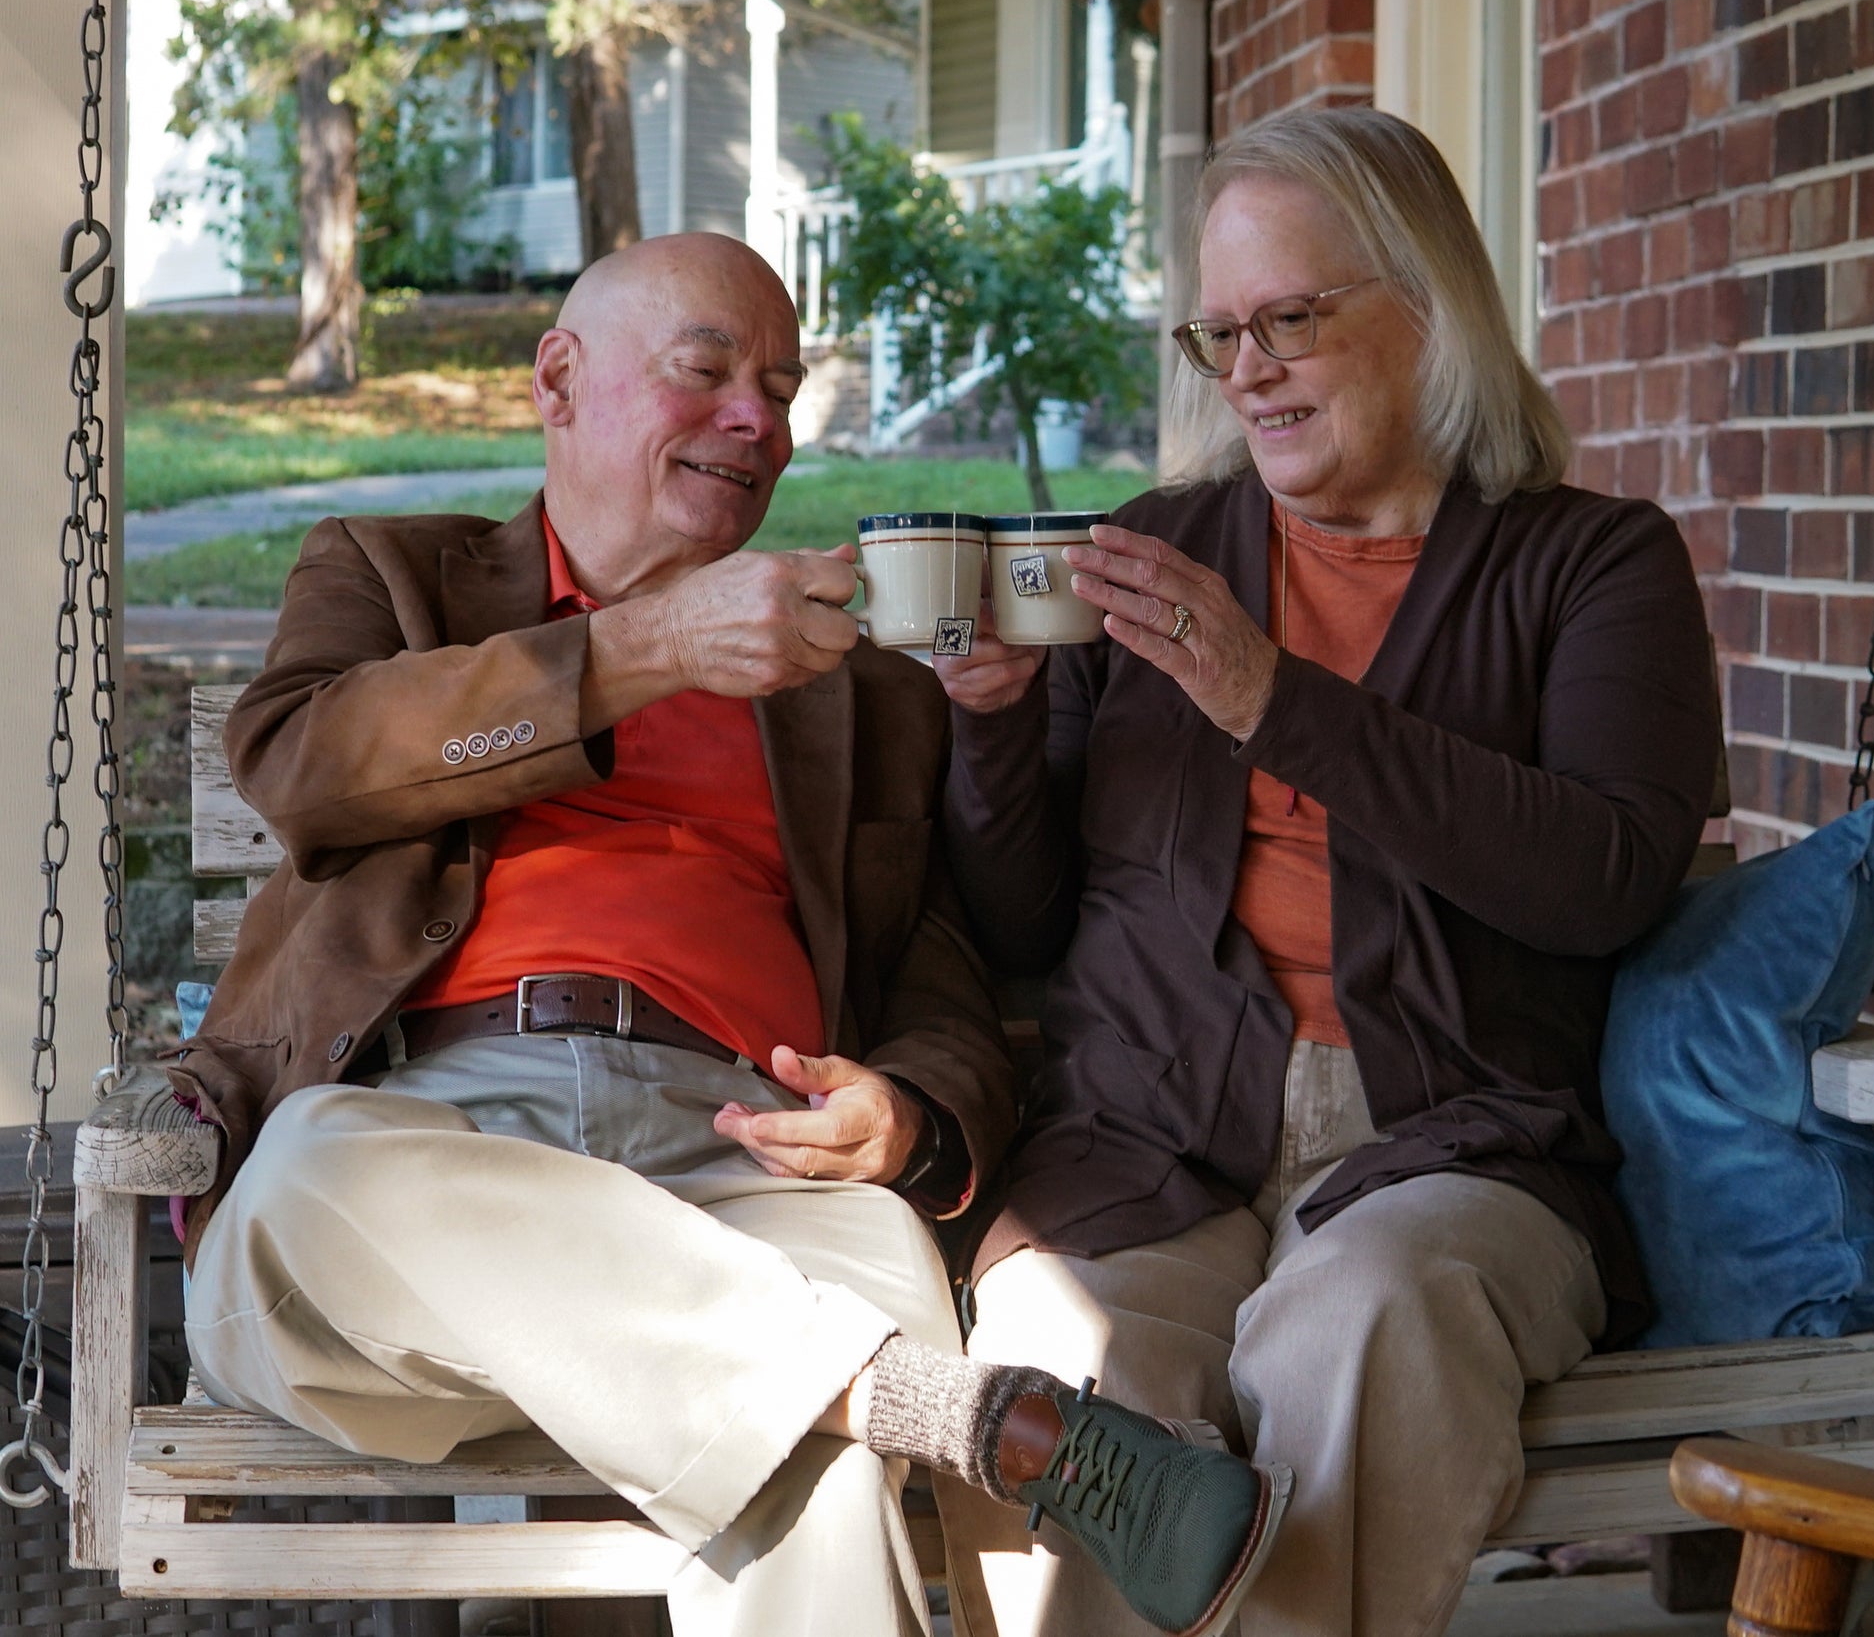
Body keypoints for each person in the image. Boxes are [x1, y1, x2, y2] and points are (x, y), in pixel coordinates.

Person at [164, 233, 1284, 1637]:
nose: (758, 419)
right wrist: (646, 648)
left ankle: (888, 1396)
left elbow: (945, 967)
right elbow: (300, 765)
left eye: (779, 383)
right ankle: (931, 1406)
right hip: (436, 1143)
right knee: (298, 1185)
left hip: (753, 1152)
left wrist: (913, 1114)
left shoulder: (856, 686)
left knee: (807, 1468)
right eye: (707, 372)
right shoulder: (394, 571)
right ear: (558, 380)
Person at [934, 111, 1723, 1637]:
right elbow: (1019, 920)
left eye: (1291, 317)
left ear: (1428, 304)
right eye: (1220, 330)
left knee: (1355, 1322)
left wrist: (1274, 700)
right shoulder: (1152, 551)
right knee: (1063, 1359)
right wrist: (993, 734)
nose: (1247, 366)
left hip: (1457, 1148)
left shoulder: (1592, 563)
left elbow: (1608, 879)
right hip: (1144, 1135)